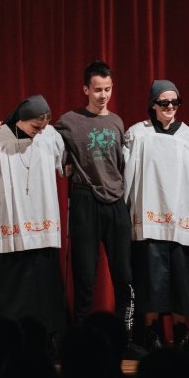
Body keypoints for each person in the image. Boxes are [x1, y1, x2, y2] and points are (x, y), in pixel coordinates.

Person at [54, 61, 134, 335]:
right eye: (98, 89)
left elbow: (122, 162)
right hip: (85, 200)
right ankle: (80, 335)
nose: (103, 95)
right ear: (85, 89)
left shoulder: (117, 122)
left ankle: (125, 336)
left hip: (116, 201)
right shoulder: (68, 121)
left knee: (124, 275)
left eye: (108, 89)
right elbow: (50, 149)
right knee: (85, 274)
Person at [123, 80, 189, 349]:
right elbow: (127, 174)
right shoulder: (138, 134)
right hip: (150, 216)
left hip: (180, 216)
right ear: (153, 105)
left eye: (174, 102)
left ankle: (180, 329)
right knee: (151, 277)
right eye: (164, 102)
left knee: (181, 277)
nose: (170, 107)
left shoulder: (188, 136)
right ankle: (151, 330)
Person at [0, 95, 67, 339]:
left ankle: (50, 333)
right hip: (12, 219)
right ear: (21, 119)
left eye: (43, 126)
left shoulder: (50, 136)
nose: (39, 131)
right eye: (36, 126)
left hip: (43, 216)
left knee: (45, 284)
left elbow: (64, 166)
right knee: (13, 283)